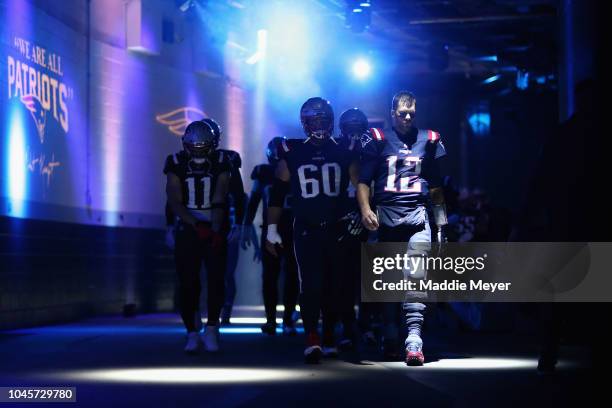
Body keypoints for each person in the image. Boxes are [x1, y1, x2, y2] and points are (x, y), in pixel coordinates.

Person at [357, 91, 448, 366]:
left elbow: (435, 187)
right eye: (402, 113)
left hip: (417, 215)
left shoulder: (429, 141)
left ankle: (414, 339)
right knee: (389, 282)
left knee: (416, 276)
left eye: (411, 113)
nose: (407, 117)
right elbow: (363, 180)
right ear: (392, 113)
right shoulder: (378, 139)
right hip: (385, 217)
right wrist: (365, 210)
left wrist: (442, 225)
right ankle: (390, 333)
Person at [265, 97, 359, 363]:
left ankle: (328, 334)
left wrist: (363, 211)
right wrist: (272, 229)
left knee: (335, 285)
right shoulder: (292, 151)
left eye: (323, 120)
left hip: (337, 226)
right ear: (304, 123)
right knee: (311, 284)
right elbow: (277, 194)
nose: (319, 125)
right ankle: (312, 337)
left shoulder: (344, 148)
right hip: (306, 227)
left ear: (330, 121)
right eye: (313, 120)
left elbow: (360, 184)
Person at [164, 120, 231, 354]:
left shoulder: (223, 161)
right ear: (186, 145)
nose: (199, 153)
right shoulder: (175, 162)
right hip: (188, 227)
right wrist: (193, 224)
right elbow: (174, 199)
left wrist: (214, 228)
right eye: (194, 148)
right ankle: (192, 331)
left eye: (203, 148)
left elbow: (220, 196)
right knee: (188, 283)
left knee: (216, 280)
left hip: (214, 222)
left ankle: (212, 327)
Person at [241, 137, 299, 336]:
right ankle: (272, 320)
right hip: (273, 228)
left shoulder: (298, 169)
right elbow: (255, 199)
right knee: (271, 276)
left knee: (291, 276)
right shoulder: (264, 172)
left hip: (293, 229)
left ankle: (287, 318)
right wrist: (246, 225)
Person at [203, 118, 247, 325]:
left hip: (225, 225)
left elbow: (239, 196)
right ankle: (206, 311)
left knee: (225, 272)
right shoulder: (185, 161)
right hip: (201, 223)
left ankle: (225, 308)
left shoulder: (226, 160)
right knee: (203, 271)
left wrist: (239, 224)